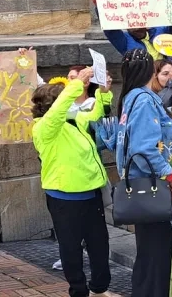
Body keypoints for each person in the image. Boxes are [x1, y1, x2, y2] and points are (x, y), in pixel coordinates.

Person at [32, 68, 119, 297]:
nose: (73, 101)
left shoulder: (75, 121)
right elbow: (57, 112)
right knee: (71, 250)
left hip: (91, 194)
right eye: (65, 98)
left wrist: (103, 93)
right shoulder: (44, 128)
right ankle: (78, 292)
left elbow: (95, 114)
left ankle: (99, 289)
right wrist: (75, 85)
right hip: (64, 199)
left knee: (99, 245)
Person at [117, 49, 172, 296]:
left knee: (151, 256)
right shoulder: (142, 100)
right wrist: (170, 175)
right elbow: (144, 147)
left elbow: (147, 132)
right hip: (153, 186)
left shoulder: (132, 97)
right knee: (156, 258)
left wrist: (170, 112)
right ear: (150, 71)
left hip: (144, 184)